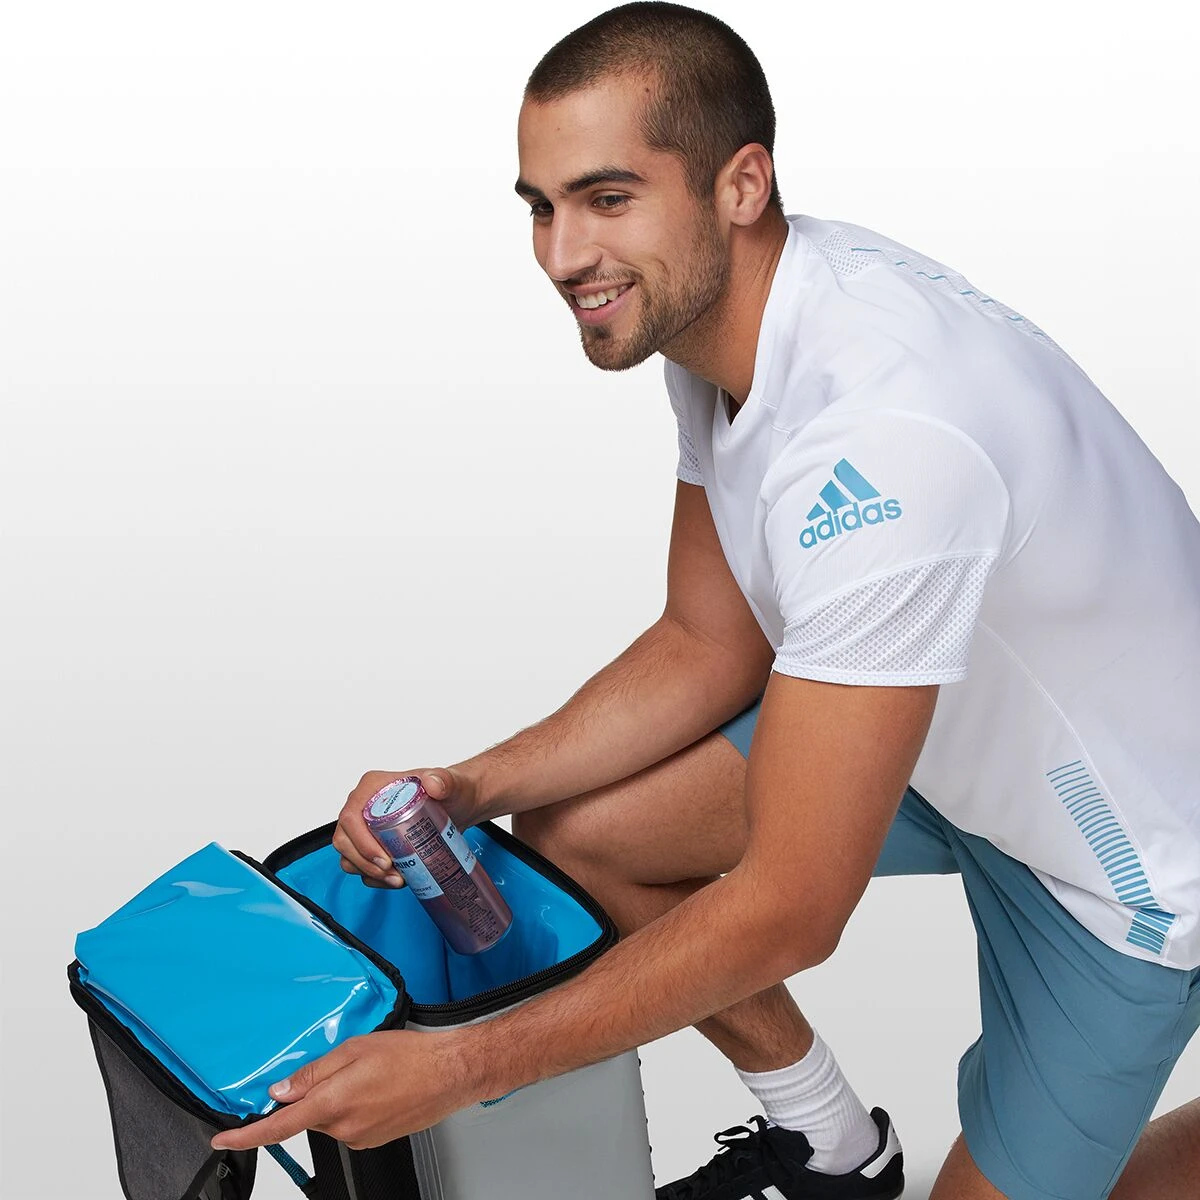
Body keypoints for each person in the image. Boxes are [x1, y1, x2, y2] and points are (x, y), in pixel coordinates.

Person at [212, 4, 1200, 1197]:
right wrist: (470, 785)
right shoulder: (730, 322)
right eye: (541, 206)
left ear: (742, 185)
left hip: (1125, 857)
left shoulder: (887, 436)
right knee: (583, 835)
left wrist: (461, 1066)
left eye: (607, 198)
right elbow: (707, 642)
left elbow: (792, 909)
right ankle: (835, 1148)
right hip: (940, 733)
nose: (563, 253)